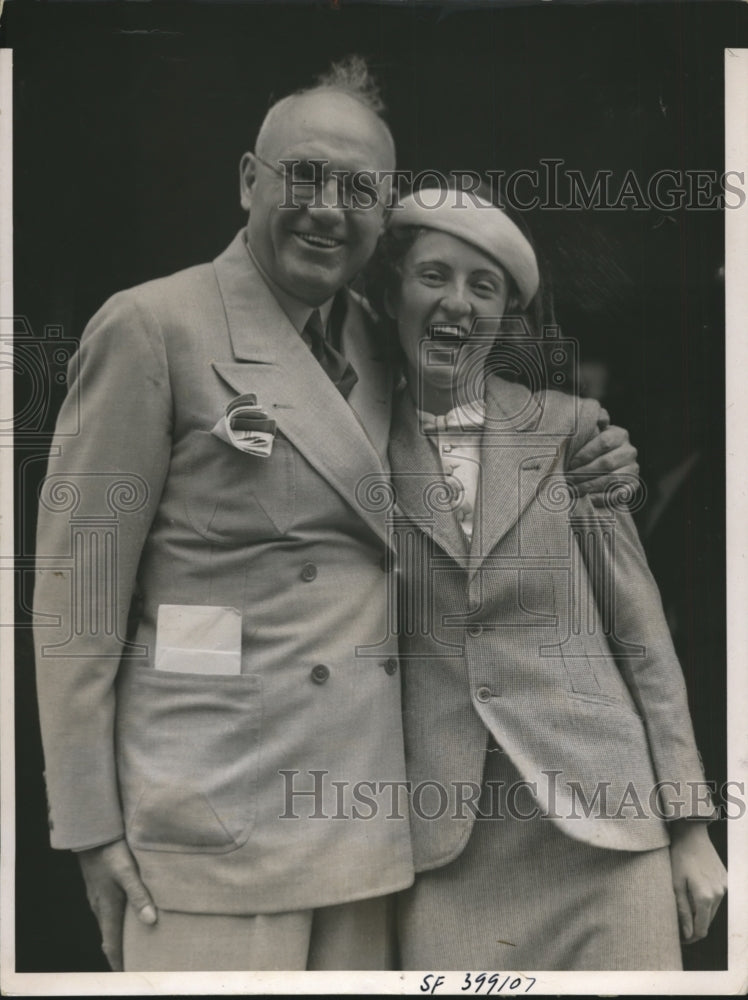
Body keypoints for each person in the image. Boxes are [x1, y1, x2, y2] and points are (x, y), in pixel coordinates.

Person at [32, 60, 637, 972]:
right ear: (247, 180)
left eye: (359, 190)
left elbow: (486, 416)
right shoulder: (153, 327)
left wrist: (593, 447)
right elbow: (73, 599)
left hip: (364, 828)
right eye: (301, 177)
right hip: (209, 829)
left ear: (382, 213)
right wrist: (89, 830)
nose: (326, 208)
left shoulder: (380, 339)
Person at [372, 186, 727, 970]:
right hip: (448, 853)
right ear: (393, 288)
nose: (456, 304)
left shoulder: (569, 430)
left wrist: (690, 828)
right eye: (434, 274)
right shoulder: (353, 445)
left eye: (483, 285)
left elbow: (642, 638)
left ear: (506, 316)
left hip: (607, 839)